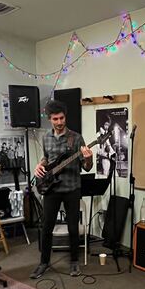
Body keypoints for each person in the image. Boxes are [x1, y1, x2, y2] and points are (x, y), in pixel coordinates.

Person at [30, 100, 93, 278]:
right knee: (46, 227)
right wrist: (39, 165)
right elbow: (46, 158)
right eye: (55, 119)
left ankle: (74, 262)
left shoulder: (76, 138)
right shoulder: (46, 138)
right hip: (51, 188)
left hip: (71, 188)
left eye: (62, 118)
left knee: (73, 228)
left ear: (65, 117)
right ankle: (44, 262)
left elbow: (86, 167)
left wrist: (89, 158)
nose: (59, 122)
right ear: (50, 119)